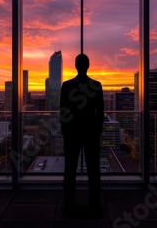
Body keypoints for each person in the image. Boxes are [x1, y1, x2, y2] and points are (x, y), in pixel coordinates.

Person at [59, 53, 104, 218]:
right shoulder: (96, 85)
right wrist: (98, 130)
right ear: (88, 65)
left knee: (69, 169)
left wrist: (64, 129)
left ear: (76, 66)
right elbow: (100, 112)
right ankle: (95, 205)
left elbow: (63, 110)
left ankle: (68, 205)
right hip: (91, 132)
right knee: (94, 170)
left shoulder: (67, 85)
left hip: (72, 132)